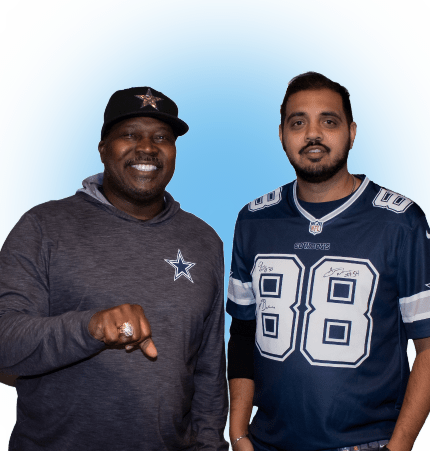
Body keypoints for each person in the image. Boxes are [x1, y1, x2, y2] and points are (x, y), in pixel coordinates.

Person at [0, 87, 228, 450]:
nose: (148, 148)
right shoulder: (43, 227)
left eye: (162, 138)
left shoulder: (204, 240)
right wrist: (91, 327)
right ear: (103, 148)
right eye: (129, 135)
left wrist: (211, 445)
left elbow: (209, 370)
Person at [227, 72, 430, 451]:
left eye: (329, 121)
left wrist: (399, 446)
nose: (313, 133)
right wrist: (238, 432)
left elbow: (429, 346)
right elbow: (241, 332)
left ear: (351, 132)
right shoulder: (254, 219)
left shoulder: (400, 220)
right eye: (298, 122)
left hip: (365, 442)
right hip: (266, 442)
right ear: (282, 135)